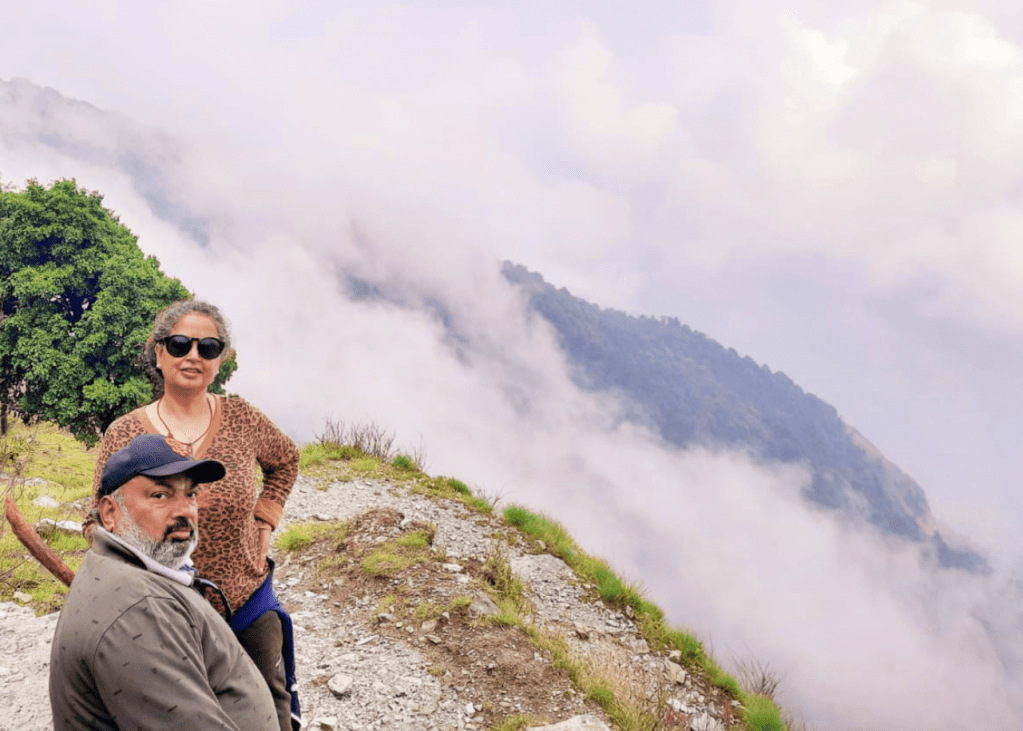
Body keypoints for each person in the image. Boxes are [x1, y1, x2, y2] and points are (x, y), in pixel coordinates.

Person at [83, 299, 302, 731]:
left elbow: (287, 459)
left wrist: (266, 514)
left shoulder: (242, 418)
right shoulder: (125, 433)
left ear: (220, 361)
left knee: (269, 714)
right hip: (166, 617)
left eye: (209, 348)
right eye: (181, 344)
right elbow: (98, 520)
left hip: (246, 600)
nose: (193, 356)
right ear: (159, 352)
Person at [50, 434, 279, 731]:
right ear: (110, 513)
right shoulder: (137, 612)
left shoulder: (128, 571)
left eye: (191, 494)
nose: (185, 510)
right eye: (160, 495)